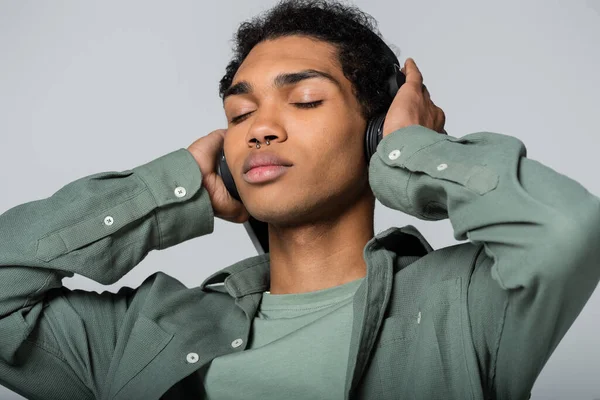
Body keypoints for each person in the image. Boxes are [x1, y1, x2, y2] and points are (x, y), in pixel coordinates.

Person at [1, 0, 599, 399]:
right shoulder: (142, 330)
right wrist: (172, 191)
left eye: (305, 100)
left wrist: (411, 151)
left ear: (374, 130)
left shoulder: (468, 301)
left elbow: (568, 229)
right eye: (240, 113)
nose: (259, 128)